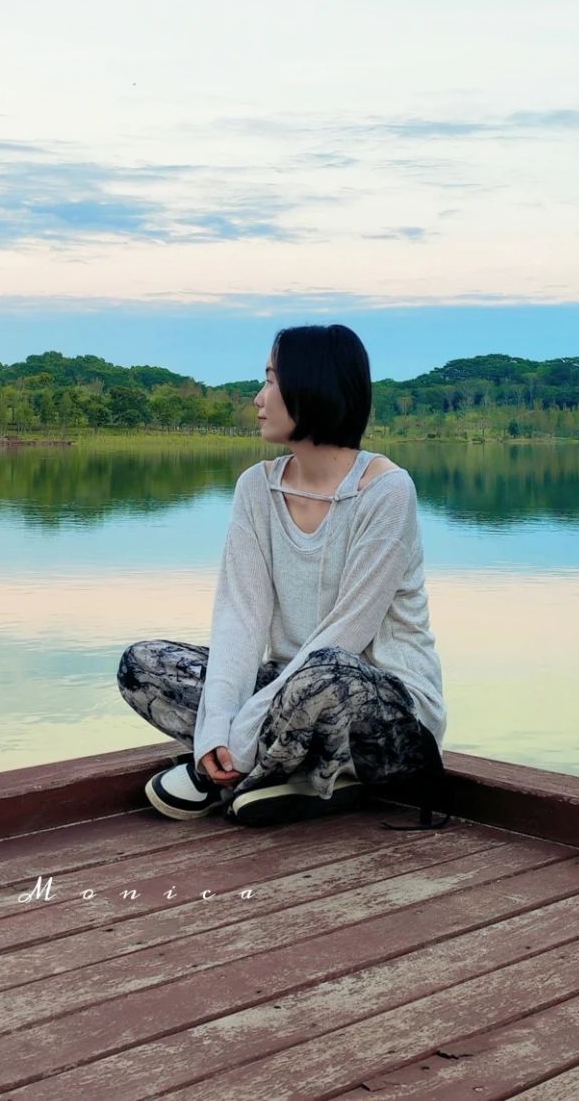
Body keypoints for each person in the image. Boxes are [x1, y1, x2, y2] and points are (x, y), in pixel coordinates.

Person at [117, 323, 450, 829]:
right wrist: (215, 730)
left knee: (327, 670)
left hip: (381, 709)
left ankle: (253, 772)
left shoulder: (387, 490)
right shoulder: (257, 488)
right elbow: (241, 617)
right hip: (286, 692)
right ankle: (294, 776)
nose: (258, 398)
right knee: (143, 664)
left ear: (313, 386)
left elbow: (349, 631)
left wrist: (242, 730)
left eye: (271, 380)